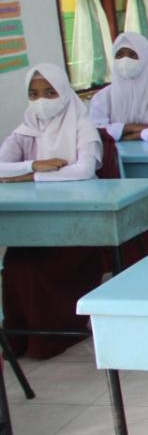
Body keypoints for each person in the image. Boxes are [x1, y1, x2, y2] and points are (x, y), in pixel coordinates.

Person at [0, 64, 104, 359]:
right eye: (33, 94)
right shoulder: (27, 127)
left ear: (64, 92)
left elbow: (84, 170)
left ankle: (50, 338)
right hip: (33, 221)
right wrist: (33, 166)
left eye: (49, 92)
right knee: (16, 266)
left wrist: (25, 176)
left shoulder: (81, 124)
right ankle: (20, 338)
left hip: (77, 220)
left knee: (34, 269)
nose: (41, 101)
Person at [89, 32, 148, 255]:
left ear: (145, 57)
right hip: (117, 173)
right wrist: (130, 128)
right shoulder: (103, 96)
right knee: (124, 223)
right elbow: (95, 131)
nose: (125, 61)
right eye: (119, 54)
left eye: (132, 54)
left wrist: (137, 133)